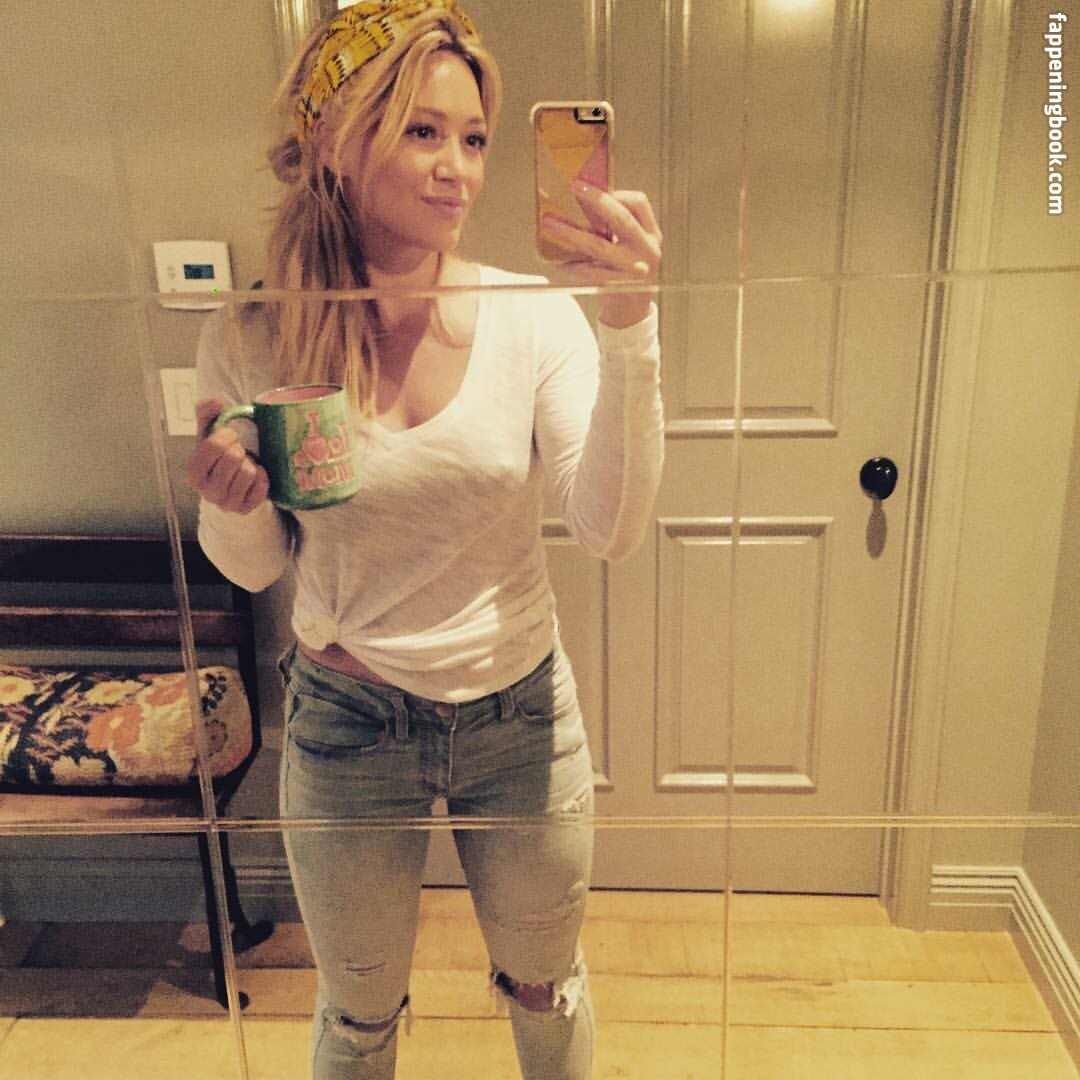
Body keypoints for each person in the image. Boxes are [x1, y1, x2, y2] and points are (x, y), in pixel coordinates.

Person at [185, 2, 663, 1077]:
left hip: (520, 718)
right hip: (346, 721)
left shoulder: (534, 317)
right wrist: (232, 498)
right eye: (423, 131)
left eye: (476, 138)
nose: (460, 170)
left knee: (546, 988)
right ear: (334, 142)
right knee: (357, 1017)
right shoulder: (253, 335)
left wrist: (631, 327)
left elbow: (611, 528)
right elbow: (256, 566)